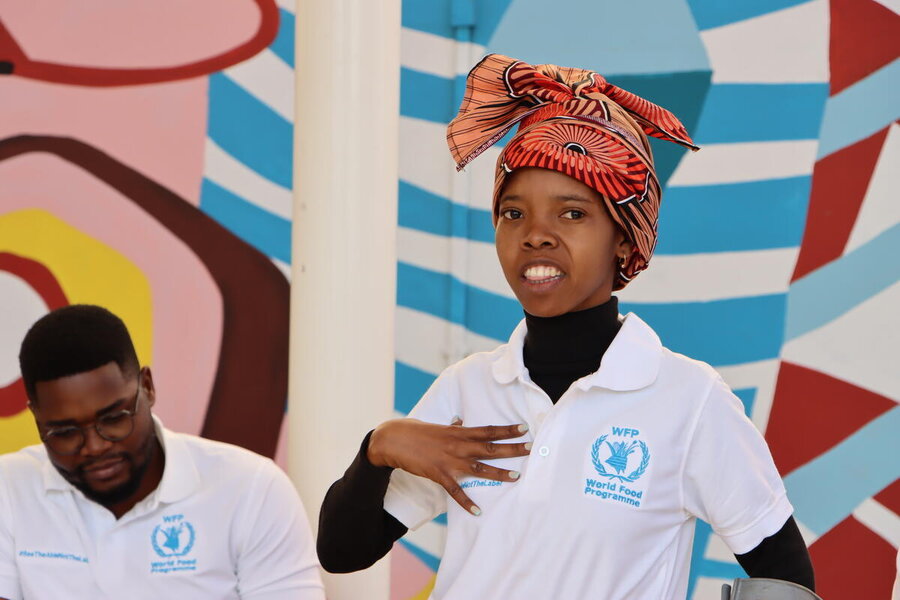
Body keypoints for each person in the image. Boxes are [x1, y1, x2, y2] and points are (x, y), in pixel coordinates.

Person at [317, 54, 815, 598]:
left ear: (624, 239)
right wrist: (377, 449)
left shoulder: (689, 399)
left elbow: (785, 575)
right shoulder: (467, 388)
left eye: (572, 213)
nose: (536, 234)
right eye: (514, 213)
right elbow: (342, 554)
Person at [0, 305, 325, 600]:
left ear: (148, 387)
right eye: (65, 433)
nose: (95, 447)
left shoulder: (251, 489)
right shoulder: (9, 489)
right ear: (37, 420)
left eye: (113, 419)